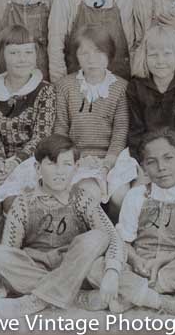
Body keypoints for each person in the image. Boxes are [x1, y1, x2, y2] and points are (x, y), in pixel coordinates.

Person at [0, 134, 124, 317]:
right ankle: (78, 298)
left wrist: (113, 271)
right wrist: (4, 286)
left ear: (76, 167)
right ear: (37, 168)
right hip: (35, 268)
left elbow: (113, 237)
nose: (59, 171)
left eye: (66, 164)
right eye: (51, 163)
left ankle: (35, 301)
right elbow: (10, 249)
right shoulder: (24, 203)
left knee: (98, 237)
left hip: (75, 264)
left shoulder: (82, 198)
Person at [87, 127, 175, 316]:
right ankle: (157, 298)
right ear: (144, 167)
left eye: (168, 158)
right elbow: (123, 242)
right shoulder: (136, 195)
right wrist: (136, 260)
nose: (161, 167)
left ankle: (132, 294)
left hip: (171, 267)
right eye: (152, 162)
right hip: (140, 267)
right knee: (95, 266)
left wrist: (163, 260)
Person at [54, 26, 136, 216]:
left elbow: (120, 130)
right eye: (84, 53)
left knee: (121, 196)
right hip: (78, 158)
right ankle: (92, 235)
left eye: (99, 52)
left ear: (109, 54)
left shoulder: (121, 88)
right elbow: (60, 128)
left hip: (113, 157)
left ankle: (118, 236)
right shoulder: (65, 86)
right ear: (76, 56)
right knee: (87, 193)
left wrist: (108, 162)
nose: (92, 59)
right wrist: (74, 158)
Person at [0, 25, 56, 216]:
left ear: (36, 55)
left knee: (14, 203)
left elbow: (42, 136)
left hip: (29, 160)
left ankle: (17, 243)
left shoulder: (45, 91)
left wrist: (15, 162)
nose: (22, 59)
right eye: (14, 53)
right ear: (2, 55)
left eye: (28, 52)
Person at [127, 25, 175, 159]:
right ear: (144, 57)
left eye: (167, 54)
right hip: (145, 155)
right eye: (153, 55)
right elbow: (135, 132)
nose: (160, 61)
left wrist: (169, 157)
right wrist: (144, 159)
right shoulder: (136, 87)